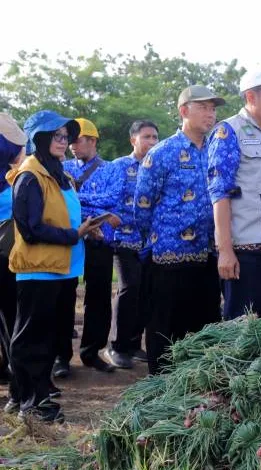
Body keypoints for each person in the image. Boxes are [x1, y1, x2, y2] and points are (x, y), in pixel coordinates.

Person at [6, 111, 100, 422]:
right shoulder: (29, 176)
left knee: (46, 337)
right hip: (39, 269)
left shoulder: (56, 173)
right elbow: (31, 229)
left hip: (61, 267)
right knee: (31, 339)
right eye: (56, 136)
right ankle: (32, 404)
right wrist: (74, 234)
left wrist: (85, 229)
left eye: (65, 136)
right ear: (40, 139)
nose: (63, 141)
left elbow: (61, 216)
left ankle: (29, 395)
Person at [135, 85, 224, 375]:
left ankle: (198, 390)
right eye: (203, 107)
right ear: (184, 111)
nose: (210, 114)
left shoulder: (217, 151)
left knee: (204, 332)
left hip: (207, 257)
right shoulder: (162, 153)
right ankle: (160, 392)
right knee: (164, 331)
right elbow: (142, 206)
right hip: (168, 260)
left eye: (213, 108)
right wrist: (159, 240)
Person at [208, 66, 261, 320]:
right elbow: (220, 193)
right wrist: (225, 250)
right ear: (250, 97)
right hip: (245, 253)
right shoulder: (229, 131)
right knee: (243, 330)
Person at [60, 118, 118, 375]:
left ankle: (92, 352)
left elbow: (112, 199)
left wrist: (75, 197)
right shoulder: (63, 168)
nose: (72, 145)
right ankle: (61, 356)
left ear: (93, 140)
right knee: (64, 296)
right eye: (69, 141)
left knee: (99, 297)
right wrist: (95, 214)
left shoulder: (111, 169)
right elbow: (59, 201)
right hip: (70, 238)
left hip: (100, 239)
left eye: (77, 140)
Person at [104, 121, 159, 369]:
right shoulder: (118, 166)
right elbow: (107, 198)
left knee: (145, 291)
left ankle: (134, 343)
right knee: (129, 287)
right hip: (123, 238)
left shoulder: (157, 166)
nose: (152, 142)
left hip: (149, 242)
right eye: (147, 137)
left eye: (155, 137)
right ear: (133, 140)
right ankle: (116, 346)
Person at [0, 113, 26, 384]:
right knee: (11, 315)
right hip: (7, 258)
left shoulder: (13, 178)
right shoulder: (13, 180)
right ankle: (19, 377)